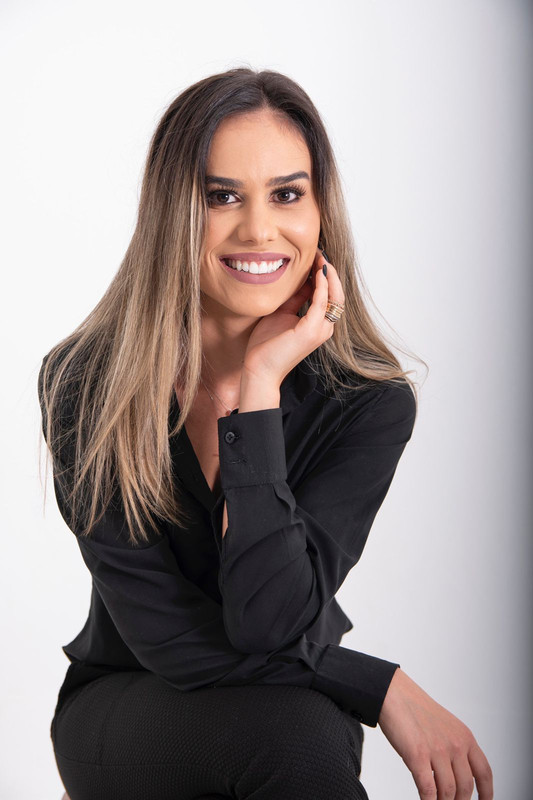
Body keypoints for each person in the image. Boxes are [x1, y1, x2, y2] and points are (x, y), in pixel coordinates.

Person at [38, 67, 493, 800]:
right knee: (302, 739)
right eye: (222, 196)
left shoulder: (369, 405)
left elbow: (269, 621)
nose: (258, 229)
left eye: (286, 194)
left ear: (320, 210)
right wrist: (376, 685)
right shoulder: (89, 382)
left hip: (285, 695)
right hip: (126, 697)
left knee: (304, 735)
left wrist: (258, 387)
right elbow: (166, 639)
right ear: (173, 214)